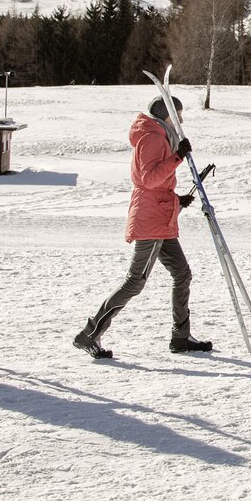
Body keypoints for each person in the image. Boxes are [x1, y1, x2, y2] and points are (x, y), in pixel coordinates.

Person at [74, 97, 212, 359]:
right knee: (135, 281)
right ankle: (90, 333)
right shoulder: (153, 137)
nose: (181, 121)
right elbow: (148, 178)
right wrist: (178, 157)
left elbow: (156, 183)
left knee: (182, 273)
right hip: (151, 220)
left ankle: (181, 337)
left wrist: (176, 199)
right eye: (178, 115)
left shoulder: (160, 135)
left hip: (161, 217)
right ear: (166, 115)